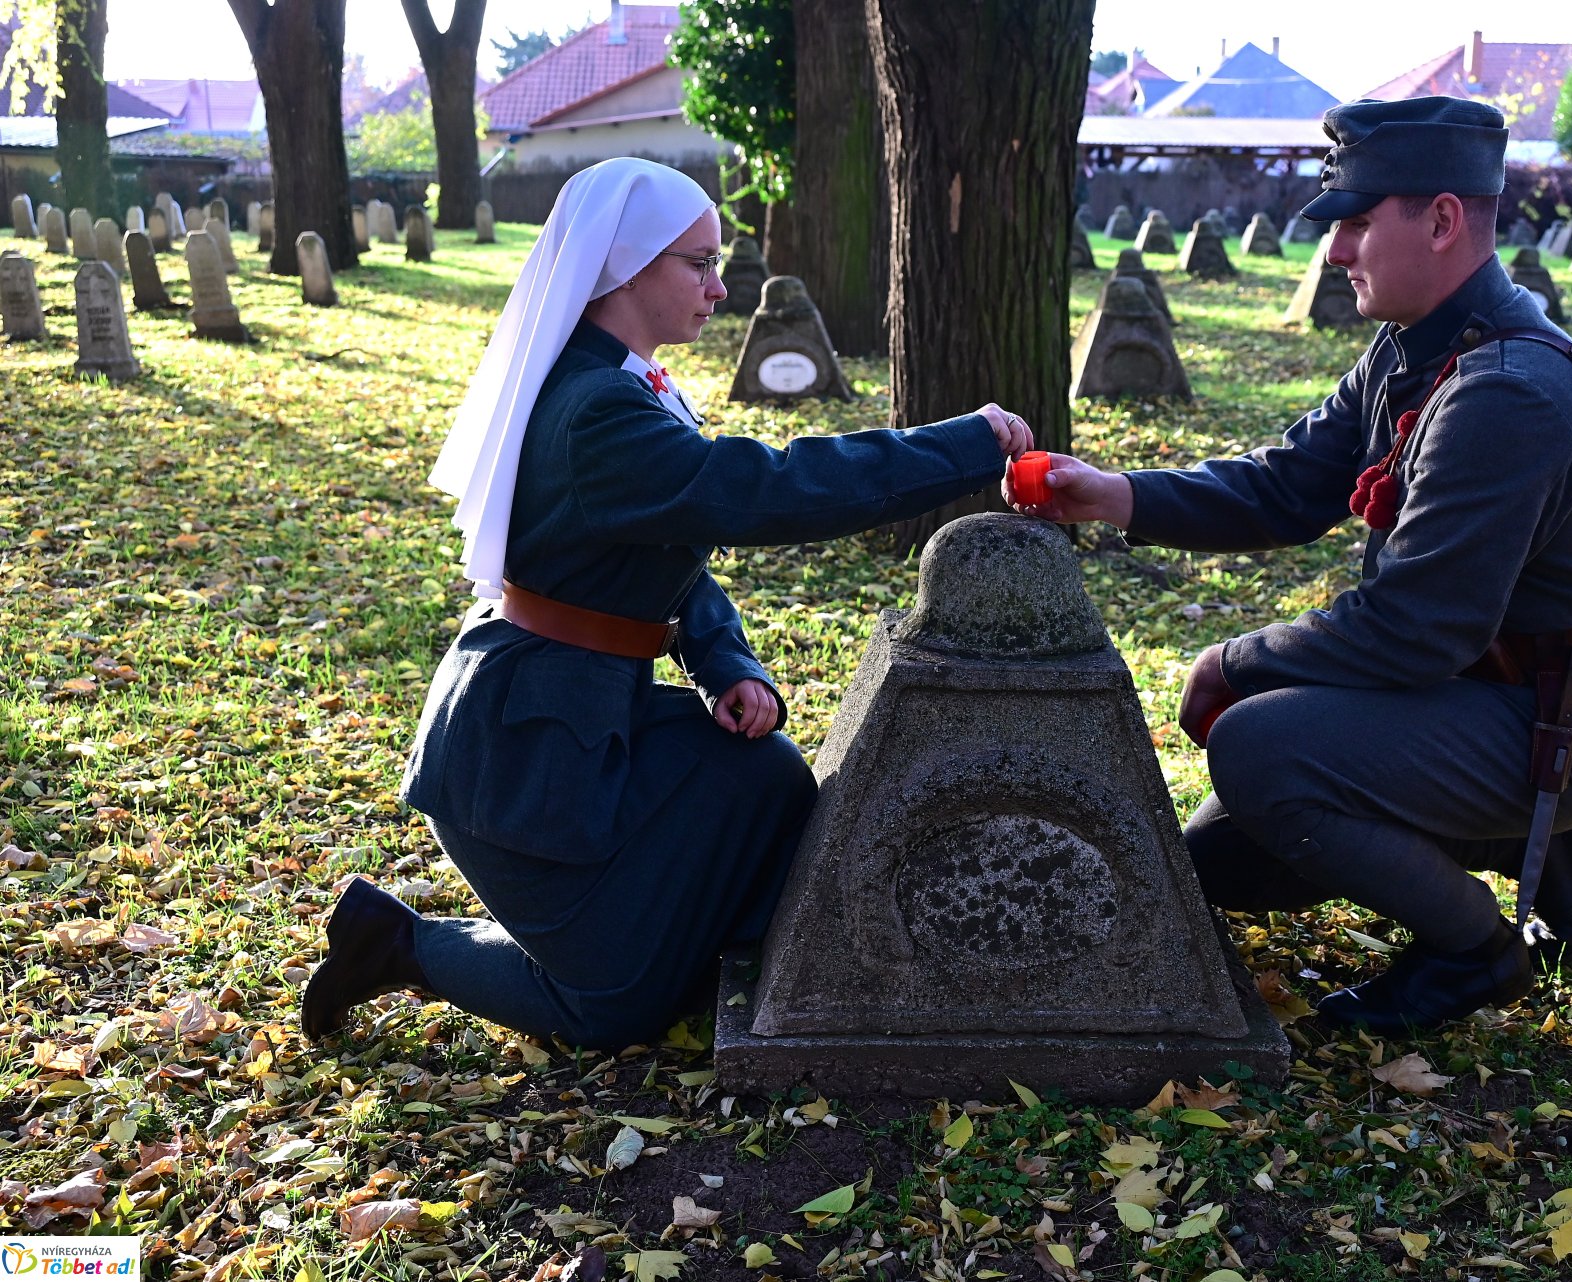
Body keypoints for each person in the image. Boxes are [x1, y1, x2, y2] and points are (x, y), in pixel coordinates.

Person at [302, 158, 1033, 1051]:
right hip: (522, 750)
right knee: (612, 1008)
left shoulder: (622, 378)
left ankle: (722, 957)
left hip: (576, 709)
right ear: (625, 263)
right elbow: (757, 490)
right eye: (698, 263)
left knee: (759, 780)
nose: (720, 289)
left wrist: (722, 659)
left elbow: (664, 553)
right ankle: (399, 943)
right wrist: (956, 449)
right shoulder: (598, 409)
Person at [1013, 97, 1572, 1030]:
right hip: (1498, 686)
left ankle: (1476, 954)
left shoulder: (1502, 392)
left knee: (1259, 751)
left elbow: (1414, 629)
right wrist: (1117, 493)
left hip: (1560, 715)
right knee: (1221, 868)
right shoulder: (1425, 344)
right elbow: (1289, 485)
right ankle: (1550, 843)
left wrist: (1235, 663)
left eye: (1358, 222)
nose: (1335, 251)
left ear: (1443, 221)